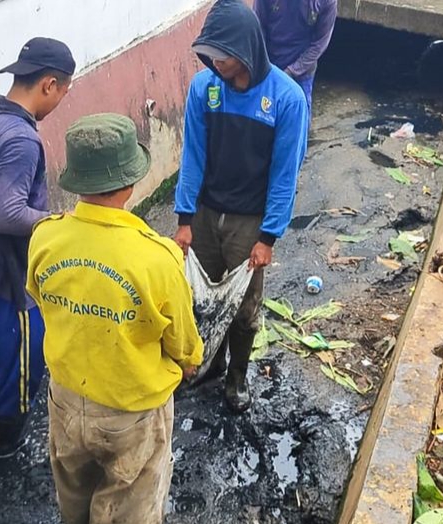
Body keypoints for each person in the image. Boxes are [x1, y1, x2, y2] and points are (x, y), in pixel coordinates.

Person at [28, 113, 203, 524]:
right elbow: (182, 344)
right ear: (130, 183)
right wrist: (190, 362)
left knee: (73, 499)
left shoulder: (44, 237)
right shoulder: (156, 257)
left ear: (74, 180)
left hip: (66, 399)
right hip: (133, 412)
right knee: (133, 505)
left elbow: (40, 294)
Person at [174, 0, 310, 413]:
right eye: (209, 55)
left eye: (222, 55)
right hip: (206, 212)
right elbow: (193, 157)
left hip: (250, 220)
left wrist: (268, 236)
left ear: (246, 50)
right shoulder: (205, 89)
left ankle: (237, 378)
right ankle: (211, 365)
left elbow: (285, 174)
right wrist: (184, 218)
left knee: (244, 308)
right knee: (203, 298)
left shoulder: (286, 100)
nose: (214, 63)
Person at [0, 37, 74, 458]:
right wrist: (60, 223)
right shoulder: (23, 139)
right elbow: (7, 214)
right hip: (4, 286)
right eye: (63, 92)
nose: (60, 101)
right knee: (21, 375)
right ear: (48, 84)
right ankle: (4, 455)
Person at [254, 0, 338, 112]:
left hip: (302, 72)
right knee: (263, 117)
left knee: (299, 120)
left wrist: (292, 71)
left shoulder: (326, 2)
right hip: (269, 66)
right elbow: (258, 28)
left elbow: (319, 43)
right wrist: (265, 65)